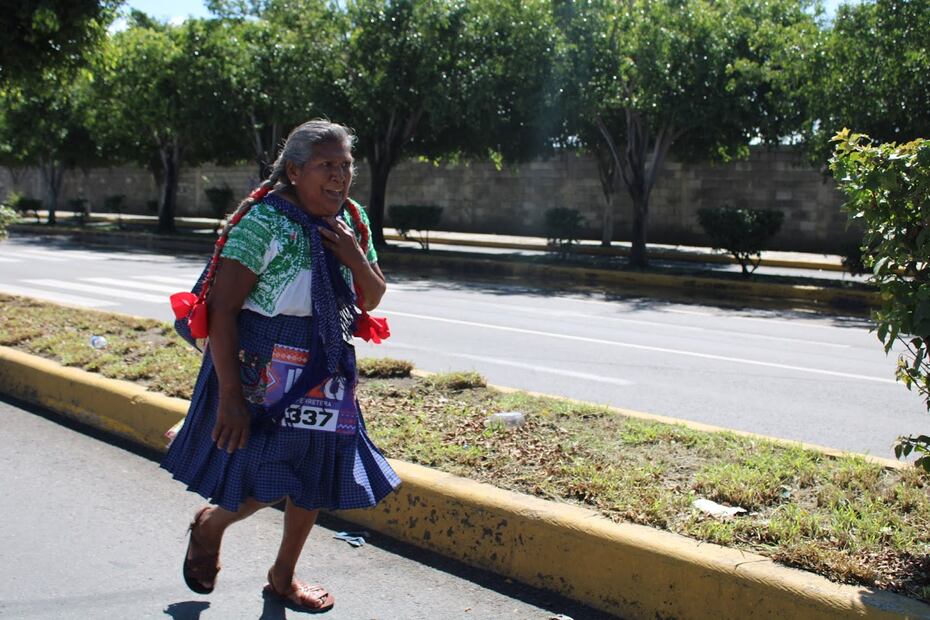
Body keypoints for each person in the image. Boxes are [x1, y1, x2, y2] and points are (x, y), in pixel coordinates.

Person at [161, 120, 400, 613]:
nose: (339, 176)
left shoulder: (352, 221)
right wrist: (229, 395)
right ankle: (211, 526)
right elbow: (224, 308)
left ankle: (282, 577)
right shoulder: (263, 223)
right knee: (263, 473)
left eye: (346, 165)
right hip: (258, 359)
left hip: (324, 360)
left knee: (312, 472)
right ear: (294, 170)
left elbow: (372, 297)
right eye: (327, 165)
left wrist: (356, 258)